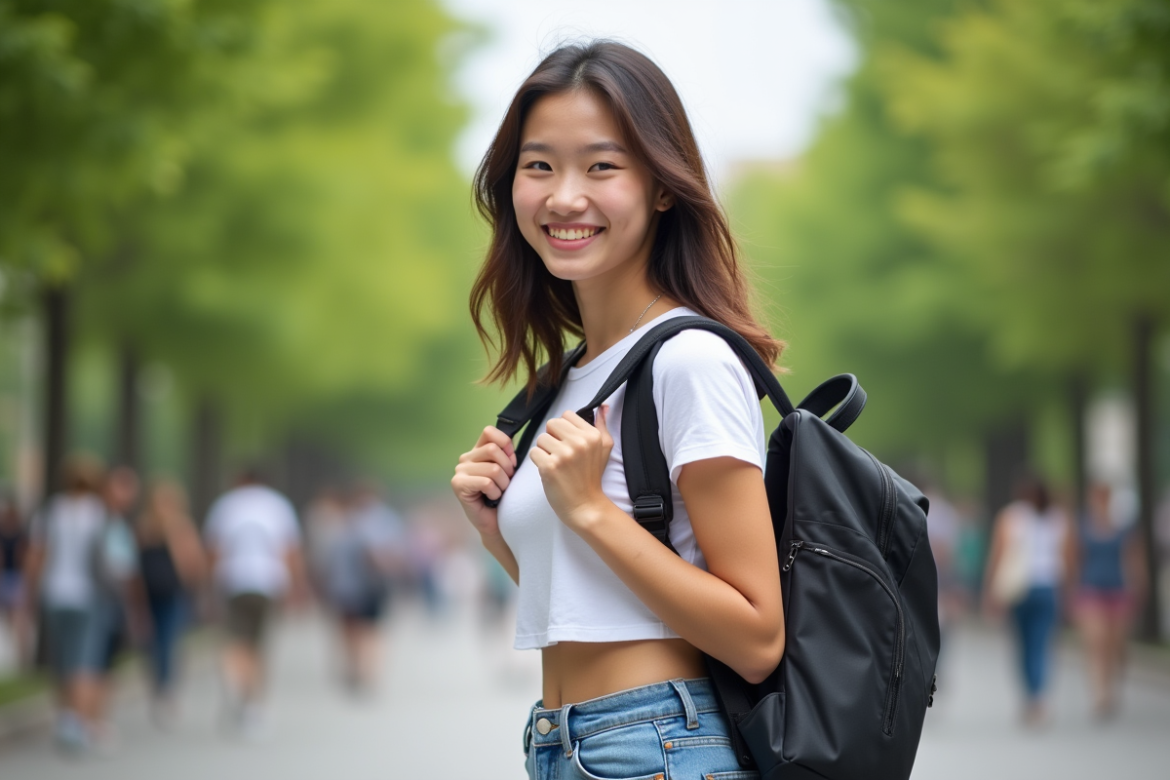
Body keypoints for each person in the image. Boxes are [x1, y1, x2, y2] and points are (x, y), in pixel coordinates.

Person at [451, 41, 784, 780]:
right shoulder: (562, 381)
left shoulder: (688, 361)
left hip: (656, 743)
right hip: (562, 743)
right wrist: (496, 531)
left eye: (601, 166)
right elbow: (598, 605)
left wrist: (593, 513)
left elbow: (757, 635)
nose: (564, 197)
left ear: (663, 187)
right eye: (539, 166)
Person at [204, 468, 305, 736]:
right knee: (260, 645)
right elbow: (289, 550)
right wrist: (297, 586)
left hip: (233, 580)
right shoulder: (278, 505)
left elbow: (214, 549)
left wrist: (209, 586)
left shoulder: (226, 505)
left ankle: (235, 682)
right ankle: (254, 704)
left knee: (236, 639)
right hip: (269, 581)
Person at [22, 455, 108, 752]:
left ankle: (64, 718)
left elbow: (35, 556)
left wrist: (29, 593)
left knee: (61, 658)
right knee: (84, 660)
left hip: (55, 593)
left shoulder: (52, 511)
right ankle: (79, 723)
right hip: (88, 595)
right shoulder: (98, 512)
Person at [983, 475, 1075, 726]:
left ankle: (1032, 696)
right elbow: (1068, 558)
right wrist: (1068, 592)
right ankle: (1037, 696)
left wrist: (990, 590)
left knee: (1023, 645)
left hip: (1018, 588)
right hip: (1047, 587)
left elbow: (998, 555)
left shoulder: (1010, 517)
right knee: (1040, 644)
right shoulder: (1058, 518)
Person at [1071, 481, 1148, 720]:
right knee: (1096, 642)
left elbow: (1134, 559)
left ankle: (1114, 687)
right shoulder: (1082, 526)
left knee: (1117, 645)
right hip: (1090, 589)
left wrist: (1139, 586)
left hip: (1119, 590)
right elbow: (1074, 559)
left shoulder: (1124, 528)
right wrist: (1070, 589)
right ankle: (1100, 694)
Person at [321, 482, 404, 692]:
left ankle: (362, 669)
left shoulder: (349, 521)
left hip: (355, 585)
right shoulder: (374, 521)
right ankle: (363, 669)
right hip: (358, 584)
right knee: (364, 629)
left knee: (361, 629)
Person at [137, 479, 206, 725]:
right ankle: (160, 686)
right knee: (153, 641)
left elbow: (191, 560)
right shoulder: (145, 527)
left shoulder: (178, 526)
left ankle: (165, 689)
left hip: (172, 592)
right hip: (150, 593)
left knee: (168, 640)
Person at [0, 493, 29, 668]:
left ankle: (22, 654)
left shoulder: (19, 533)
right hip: (8, 576)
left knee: (18, 617)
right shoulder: (6, 533)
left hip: (16, 576)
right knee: (12, 617)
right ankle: (17, 652)